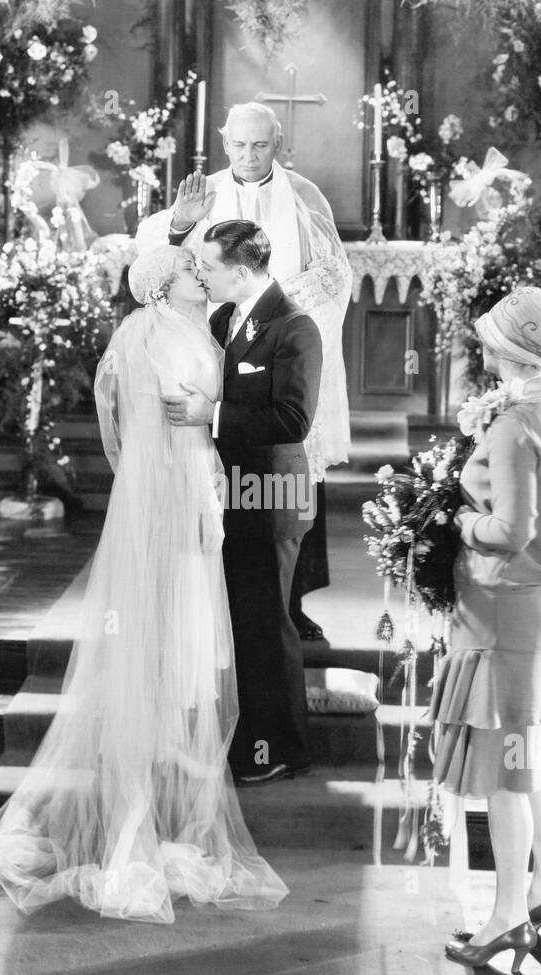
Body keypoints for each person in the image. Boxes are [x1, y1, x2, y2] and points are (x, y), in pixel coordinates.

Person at [0, 245, 287, 923]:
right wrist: (192, 502)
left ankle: (159, 806)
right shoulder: (151, 334)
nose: (202, 275)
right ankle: (135, 826)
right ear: (164, 286)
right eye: (191, 269)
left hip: (186, 498)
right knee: (154, 655)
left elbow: (178, 428)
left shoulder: (184, 330)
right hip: (168, 506)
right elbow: (156, 430)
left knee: (174, 657)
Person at [139, 100, 351, 642]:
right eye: (238, 145)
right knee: (232, 477)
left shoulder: (305, 194)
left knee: (288, 473)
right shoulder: (200, 193)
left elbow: (335, 273)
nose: (249, 156)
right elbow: (155, 267)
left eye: (260, 145)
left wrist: (282, 310)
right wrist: (182, 223)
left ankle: (293, 604)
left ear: (278, 143)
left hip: (283, 349)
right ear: (223, 141)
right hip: (216, 353)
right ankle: (228, 601)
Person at [430, 288, 541, 974]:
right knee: (537, 763)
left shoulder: (514, 422)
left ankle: (507, 916)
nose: (482, 347)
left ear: (505, 349)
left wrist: (456, 524)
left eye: (489, 339)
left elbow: (510, 529)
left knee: (504, 776)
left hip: (504, 614)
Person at [164, 220, 321, 786]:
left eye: (208, 266)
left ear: (240, 271)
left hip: (273, 493)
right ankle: (251, 739)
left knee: (267, 622)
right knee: (242, 619)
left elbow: (294, 420)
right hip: (233, 492)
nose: (200, 274)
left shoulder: (294, 327)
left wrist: (215, 415)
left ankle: (284, 747)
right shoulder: (227, 317)